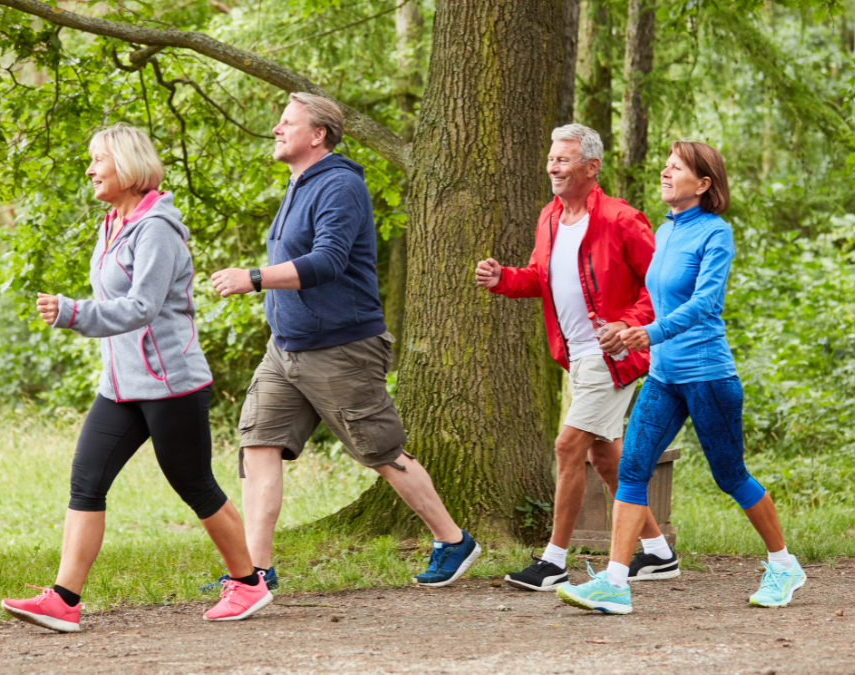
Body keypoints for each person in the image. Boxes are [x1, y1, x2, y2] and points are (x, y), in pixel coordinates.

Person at [1, 123, 271, 633]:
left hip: (171, 384)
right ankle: (63, 599)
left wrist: (73, 312)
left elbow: (143, 306)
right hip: (121, 386)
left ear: (126, 166)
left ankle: (249, 583)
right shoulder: (113, 224)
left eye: (98, 160)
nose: (90, 170)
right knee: (87, 480)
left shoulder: (157, 230)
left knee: (194, 484)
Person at [204, 92, 480, 590]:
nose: (276, 129)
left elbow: (329, 261)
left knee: (380, 450)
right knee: (259, 444)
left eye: (287, 122)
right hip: (285, 347)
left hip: (341, 348)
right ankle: (254, 573)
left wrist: (255, 277)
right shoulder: (298, 184)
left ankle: (453, 539)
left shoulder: (339, 185)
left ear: (318, 135)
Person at [557, 141, 805, 615]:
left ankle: (784, 563)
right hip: (664, 376)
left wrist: (647, 333)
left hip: (708, 375)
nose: (666, 174)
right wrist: (627, 329)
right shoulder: (666, 231)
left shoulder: (716, 234)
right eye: (666, 167)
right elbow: (657, 300)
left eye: (677, 168)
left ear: (704, 184)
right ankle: (614, 583)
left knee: (729, 475)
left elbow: (706, 304)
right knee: (632, 470)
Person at [476, 124, 676, 592]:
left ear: (591, 167)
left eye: (564, 160)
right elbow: (539, 278)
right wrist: (503, 277)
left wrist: (629, 327)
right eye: (551, 158)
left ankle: (554, 560)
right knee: (606, 459)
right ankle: (660, 554)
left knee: (568, 447)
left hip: (614, 357)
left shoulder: (622, 219)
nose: (553, 166)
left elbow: (662, 285)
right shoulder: (549, 217)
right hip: (576, 358)